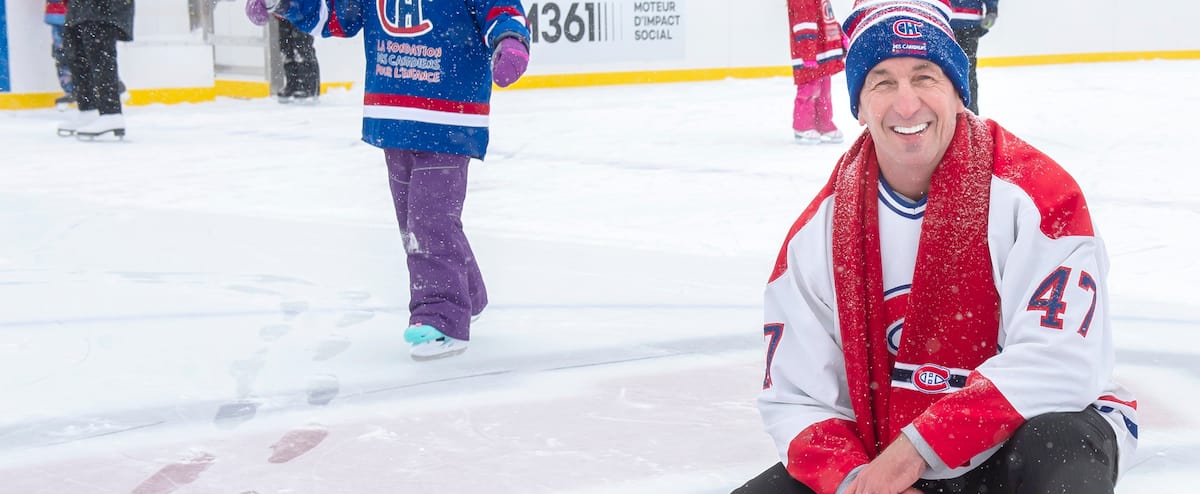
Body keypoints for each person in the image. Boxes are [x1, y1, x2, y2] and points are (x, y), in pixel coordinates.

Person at [733, 1, 1138, 493]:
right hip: (884, 452)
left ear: (958, 91)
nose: (907, 105)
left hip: (1020, 439)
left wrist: (917, 448)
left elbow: (1061, 363)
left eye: (925, 77)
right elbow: (797, 399)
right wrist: (859, 481)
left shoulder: (1037, 195)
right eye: (883, 81)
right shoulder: (816, 236)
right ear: (859, 106)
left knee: (1061, 441)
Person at [245, 0, 530, 360]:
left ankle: (442, 316)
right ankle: (467, 294)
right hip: (394, 109)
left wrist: (511, 39)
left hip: (449, 113)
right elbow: (337, 14)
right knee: (415, 221)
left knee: (429, 219)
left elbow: (501, 9)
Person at [56, 0, 134, 139]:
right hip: (79, 7)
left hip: (104, 6)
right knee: (76, 52)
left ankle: (111, 113)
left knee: (99, 52)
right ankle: (88, 110)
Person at [786, 0, 846, 145]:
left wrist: (840, 38)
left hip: (822, 53)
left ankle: (823, 124)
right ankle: (803, 126)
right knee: (809, 90)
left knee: (824, 90)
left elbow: (827, 18)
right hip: (810, 55)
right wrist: (807, 53)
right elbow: (804, 25)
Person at [948, 0, 998, 114]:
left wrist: (992, 10)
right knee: (946, 71)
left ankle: (971, 115)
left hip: (969, 25)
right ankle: (948, 113)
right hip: (946, 23)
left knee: (967, 71)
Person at [44, 0, 75, 110]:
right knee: (62, 54)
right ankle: (70, 89)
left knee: (89, 50)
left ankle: (106, 86)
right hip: (59, 13)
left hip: (81, 13)